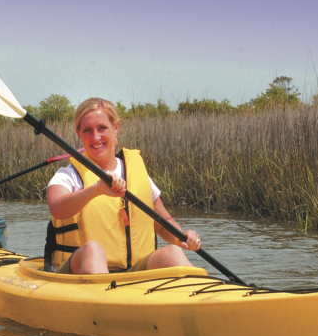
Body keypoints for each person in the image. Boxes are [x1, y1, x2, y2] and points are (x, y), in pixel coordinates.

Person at [45, 98, 201, 274]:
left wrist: (182, 238)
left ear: (116, 127)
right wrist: (96, 190)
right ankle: (104, 297)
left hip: (132, 272)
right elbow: (57, 208)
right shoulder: (68, 174)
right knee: (93, 251)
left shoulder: (135, 171)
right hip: (75, 272)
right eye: (87, 130)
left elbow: (163, 221)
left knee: (173, 252)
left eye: (102, 128)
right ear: (79, 133)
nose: (96, 137)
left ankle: (205, 299)